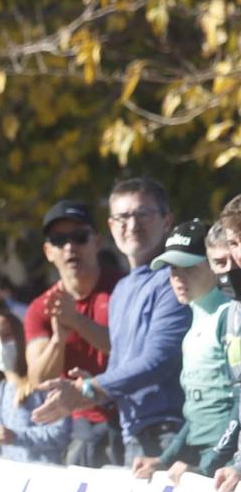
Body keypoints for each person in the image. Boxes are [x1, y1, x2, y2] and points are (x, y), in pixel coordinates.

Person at [33, 179, 189, 462]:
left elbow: (159, 360)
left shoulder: (175, 279)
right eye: (123, 217)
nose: (132, 224)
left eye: (143, 214)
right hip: (134, 434)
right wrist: (91, 388)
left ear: (167, 221)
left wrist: (92, 389)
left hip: (167, 433)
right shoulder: (122, 289)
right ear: (111, 225)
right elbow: (123, 362)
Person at [131, 220, 239, 481]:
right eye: (172, 269)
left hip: (226, 464)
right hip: (209, 458)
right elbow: (197, 410)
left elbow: (238, 402)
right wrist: (165, 458)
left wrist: (210, 465)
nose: (178, 278)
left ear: (214, 266)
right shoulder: (195, 323)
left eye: (189, 267)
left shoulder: (230, 317)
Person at [24, 200, 117, 467]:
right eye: (59, 240)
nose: (70, 247)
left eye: (79, 237)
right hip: (81, 426)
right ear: (47, 251)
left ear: (97, 242)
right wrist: (58, 340)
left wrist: (75, 320)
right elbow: (39, 379)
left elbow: (125, 349)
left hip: (131, 419)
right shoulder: (40, 308)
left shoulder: (122, 288)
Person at [0, 305, 69, 463]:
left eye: (7, 335)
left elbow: (61, 434)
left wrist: (15, 436)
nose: (0, 343)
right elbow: (5, 446)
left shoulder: (43, 383)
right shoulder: (2, 389)